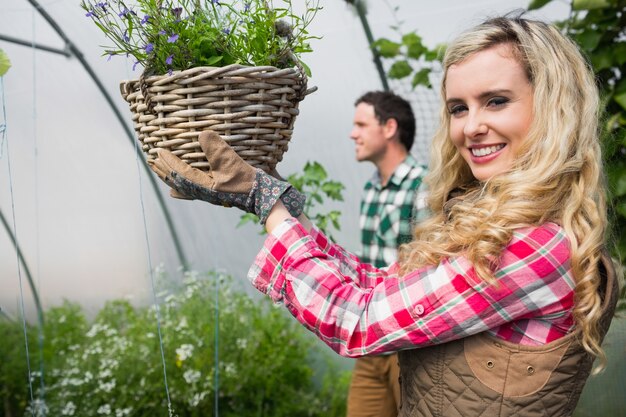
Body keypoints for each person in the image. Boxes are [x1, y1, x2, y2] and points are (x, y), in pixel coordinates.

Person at [149, 14, 619, 417]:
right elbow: (380, 284)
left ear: (554, 109)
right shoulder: (505, 221)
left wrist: (265, 205)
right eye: (458, 107)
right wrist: (275, 201)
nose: (471, 126)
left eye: (496, 100)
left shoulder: (536, 245)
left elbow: (357, 317)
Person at [348, 91, 427, 417]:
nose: (353, 133)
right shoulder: (370, 189)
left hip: (409, 347)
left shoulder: (424, 186)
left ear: (390, 127)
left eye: (361, 124)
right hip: (372, 342)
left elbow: (429, 269)